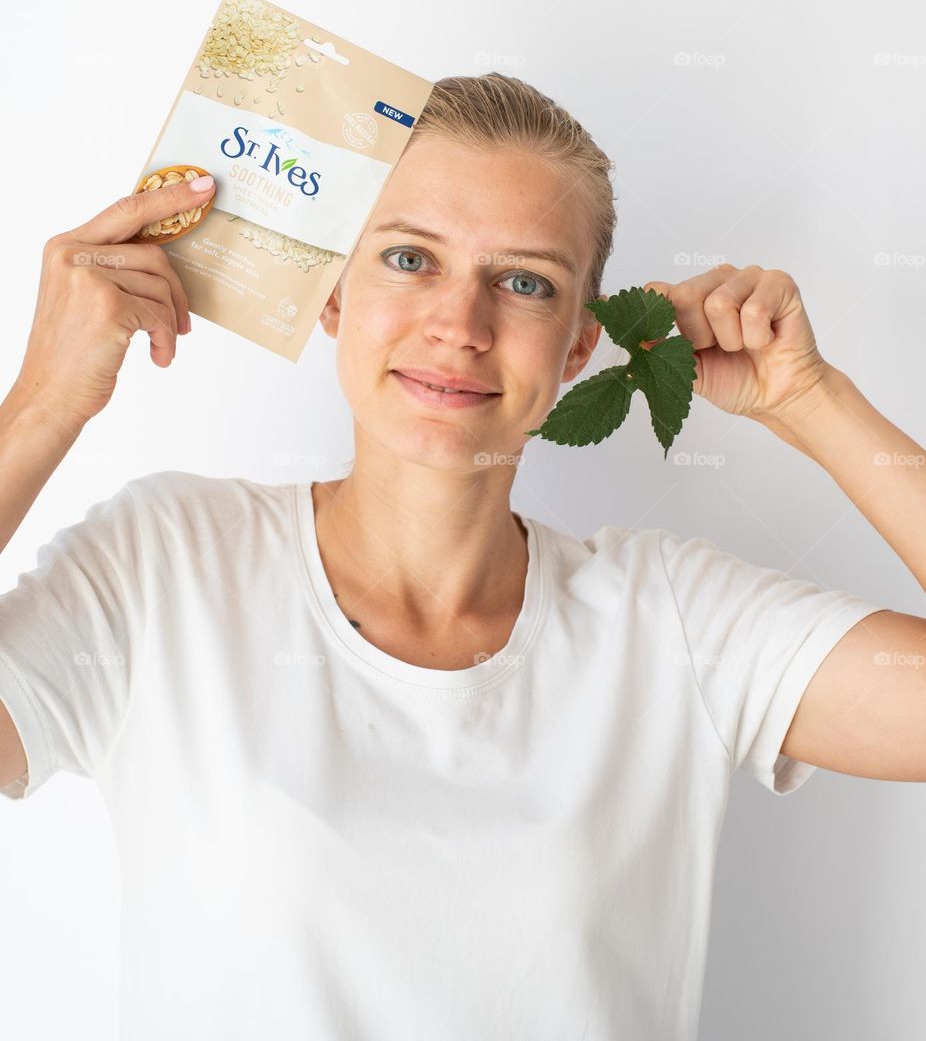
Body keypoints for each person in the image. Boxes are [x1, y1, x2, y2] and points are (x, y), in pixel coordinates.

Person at [0, 72, 923, 1040]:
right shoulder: (165, 565)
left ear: (576, 347)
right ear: (330, 298)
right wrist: (42, 405)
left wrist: (809, 401)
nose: (459, 324)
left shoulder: (673, 618)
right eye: (408, 257)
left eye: (523, 281)